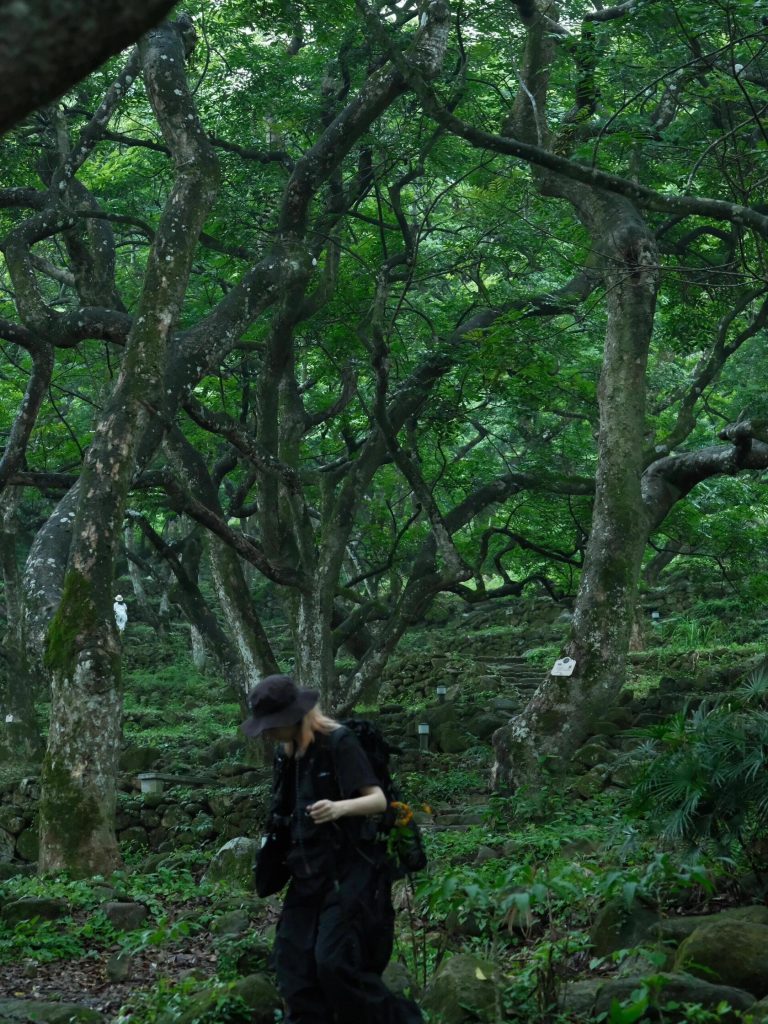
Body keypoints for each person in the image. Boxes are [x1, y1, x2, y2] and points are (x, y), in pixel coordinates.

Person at [241, 673, 423, 1024]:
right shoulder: (286, 756)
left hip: (350, 871)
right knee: (292, 966)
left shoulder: (339, 742)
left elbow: (378, 800)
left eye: (271, 725)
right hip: (305, 873)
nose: (267, 733)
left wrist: (339, 808)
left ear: (293, 717)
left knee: (335, 964)